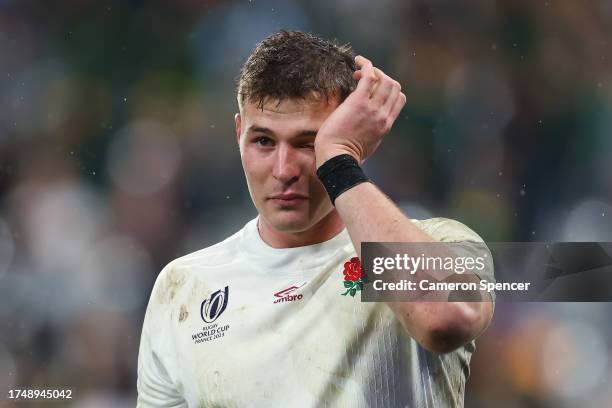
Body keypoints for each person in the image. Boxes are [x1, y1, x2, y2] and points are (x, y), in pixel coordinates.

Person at [137, 30, 494, 407]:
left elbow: (445, 318)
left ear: (354, 138)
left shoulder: (441, 241)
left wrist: (340, 162)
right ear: (239, 133)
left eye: (309, 143)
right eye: (263, 141)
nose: (284, 169)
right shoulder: (182, 285)